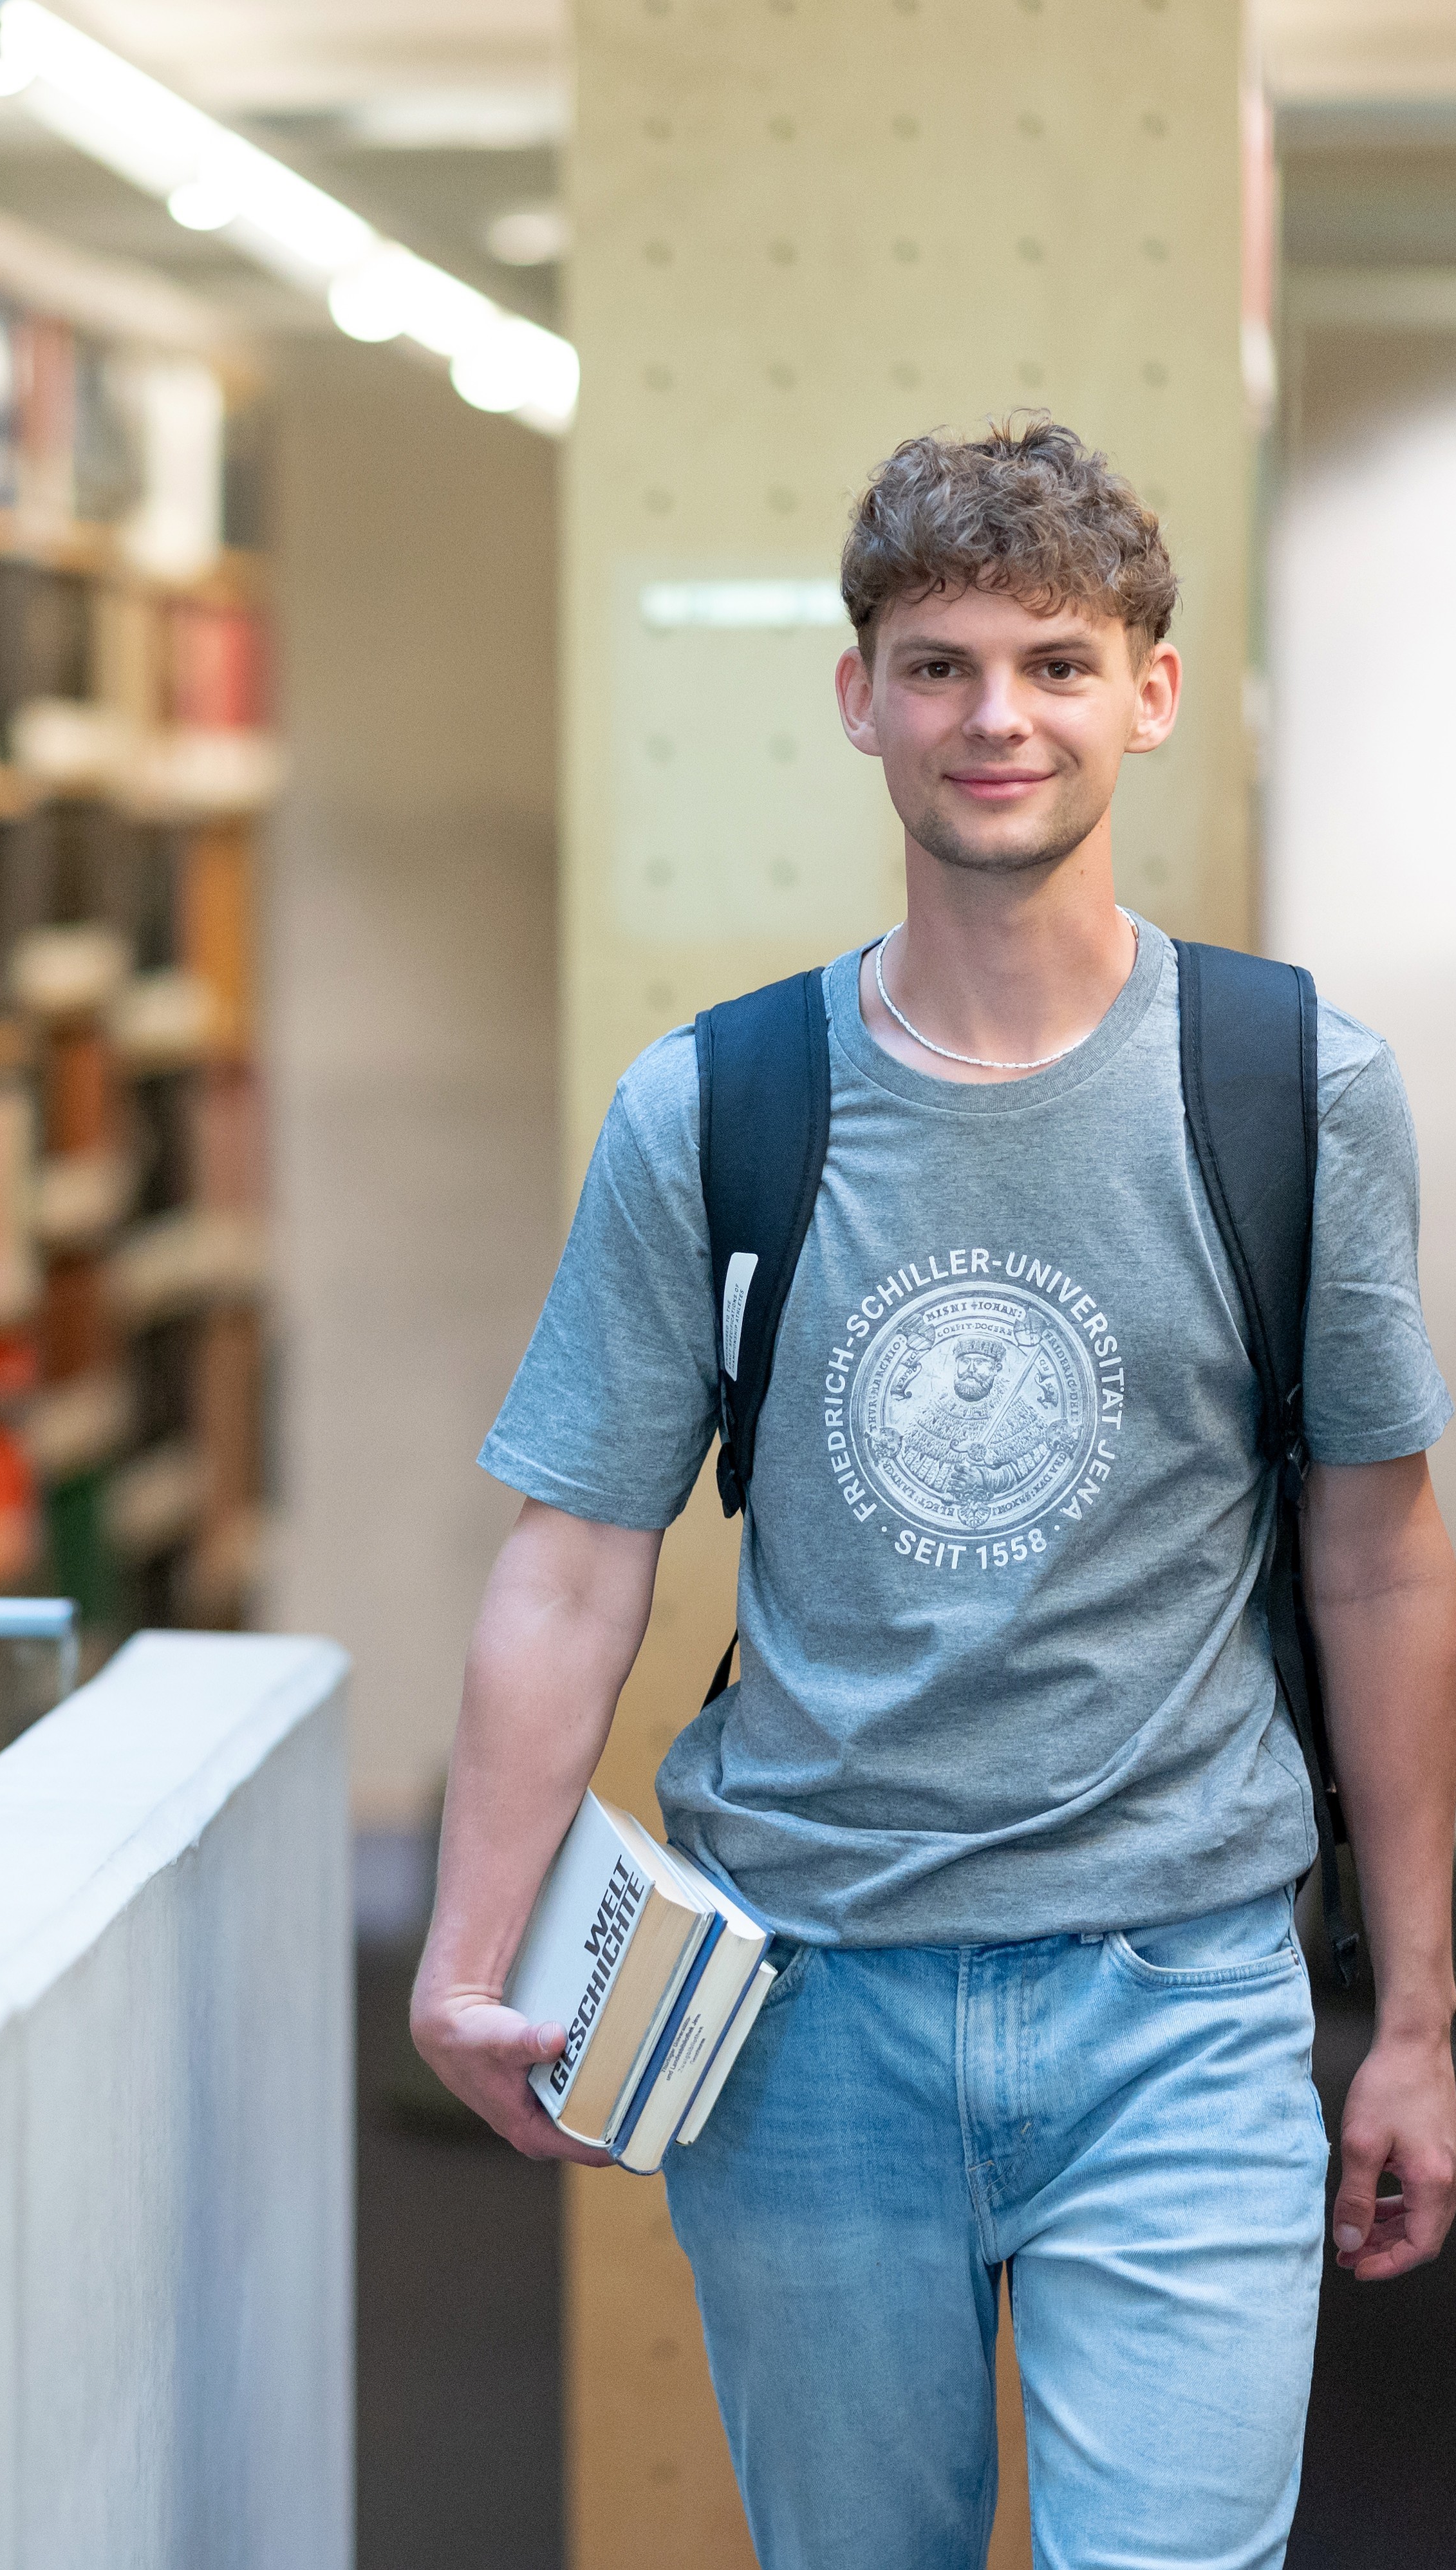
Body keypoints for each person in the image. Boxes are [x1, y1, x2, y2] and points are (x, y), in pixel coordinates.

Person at [411, 418, 1456, 2569]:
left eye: (1057, 665)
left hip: (1176, 1996)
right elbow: (573, 1561)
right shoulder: (717, 1106)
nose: (998, 718)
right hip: (803, 2016)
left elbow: (1376, 1562)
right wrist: (458, 1947)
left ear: (1149, 694)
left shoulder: (1286, 1089)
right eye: (940, 664)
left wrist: (1419, 2014)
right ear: (858, 699)